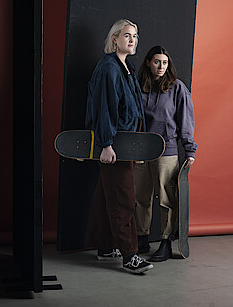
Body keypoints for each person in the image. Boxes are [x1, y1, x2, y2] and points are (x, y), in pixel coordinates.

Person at [84, 19, 153, 274]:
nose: (132, 40)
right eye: (126, 35)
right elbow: (104, 108)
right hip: (115, 145)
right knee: (124, 200)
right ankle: (129, 255)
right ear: (114, 39)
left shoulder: (127, 67)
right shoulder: (108, 68)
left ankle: (105, 246)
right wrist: (106, 144)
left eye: (135, 35)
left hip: (127, 144)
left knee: (107, 195)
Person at [134, 45, 197, 262]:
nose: (161, 67)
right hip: (141, 149)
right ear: (149, 63)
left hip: (166, 150)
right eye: (156, 62)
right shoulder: (138, 86)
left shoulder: (177, 88)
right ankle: (141, 239)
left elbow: (186, 121)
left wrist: (190, 150)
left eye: (165, 63)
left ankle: (164, 242)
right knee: (140, 197)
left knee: (166, 199)